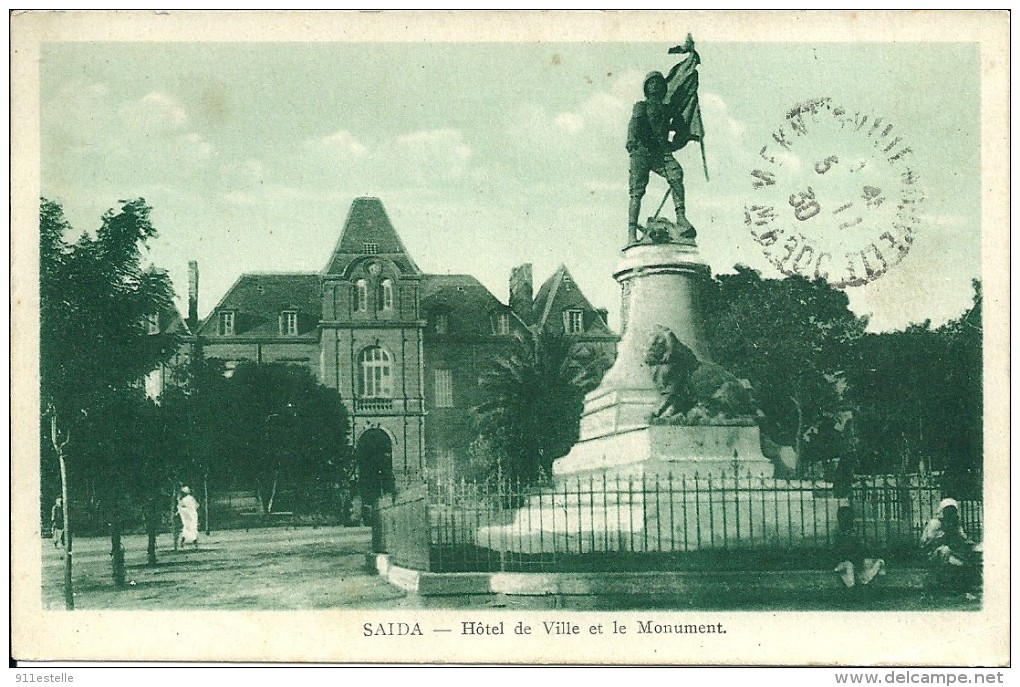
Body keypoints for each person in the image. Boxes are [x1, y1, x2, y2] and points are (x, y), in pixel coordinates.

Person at [921, 498, 977, 591]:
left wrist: (957, 532)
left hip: (951, 551)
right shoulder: (935, 523)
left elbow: (963, 537)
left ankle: (959, 585)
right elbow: (927, 541)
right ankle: (944, 583)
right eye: (948, 510)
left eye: (953, 510)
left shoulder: (955, 523)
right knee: (945, 551)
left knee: (962, 561)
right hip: (933, 553)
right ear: (943, 511)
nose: (950, 513)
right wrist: (944, 535)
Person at [833, 505, 885, 589]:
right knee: (848, 567)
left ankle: (864, 582)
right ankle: (853, 587)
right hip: (845, 563)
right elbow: (838, 552)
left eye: (849, 517)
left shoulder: (856, 532)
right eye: (844, 517)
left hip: (857, 562)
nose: (847, 520)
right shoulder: (837, 533)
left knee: (878, 562)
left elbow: (862, 548)